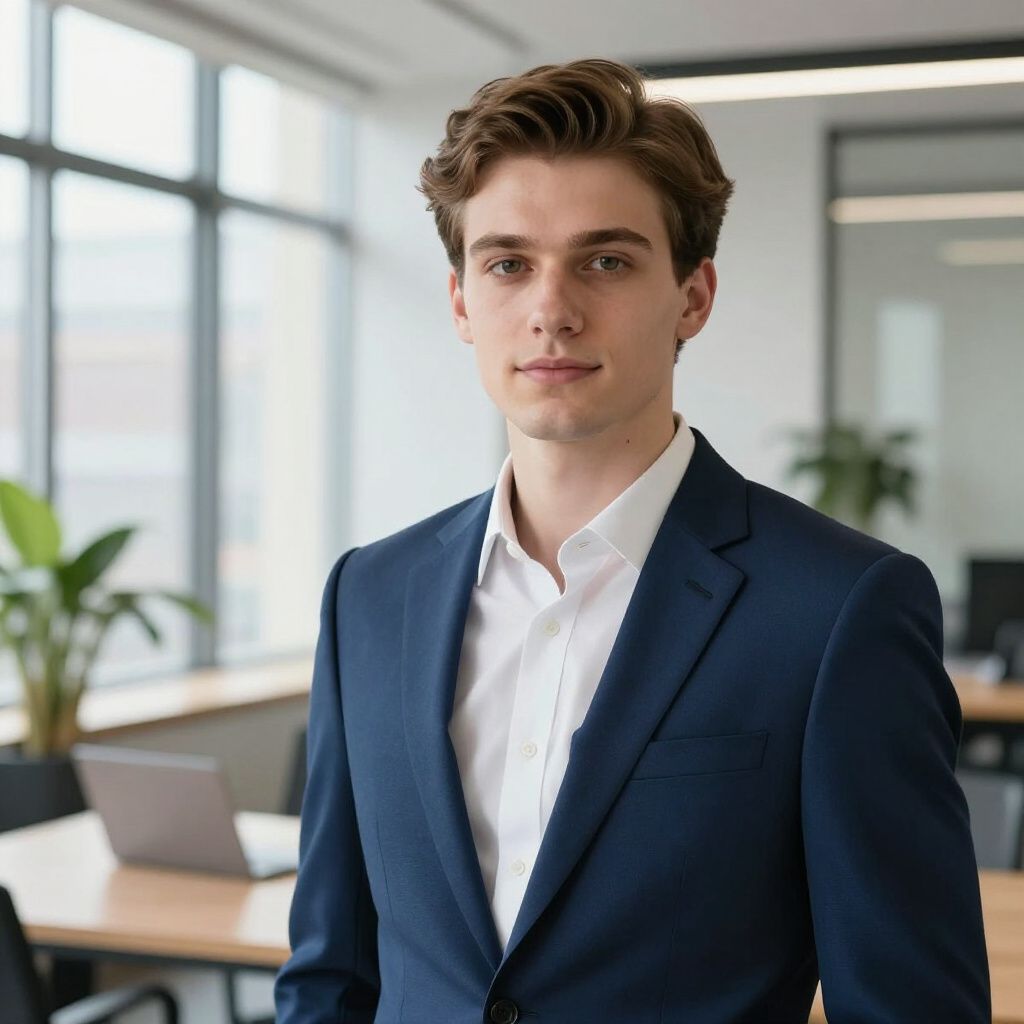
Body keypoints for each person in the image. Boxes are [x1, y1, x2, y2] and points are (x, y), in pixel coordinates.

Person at [274, 57, 990, 1023]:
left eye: (605, 261)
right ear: (459, 302)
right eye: (508, 263)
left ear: (692, 297)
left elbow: (908, 1006)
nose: (552, 309)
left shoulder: (836, 610)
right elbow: (331, 976)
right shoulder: (369, 595)